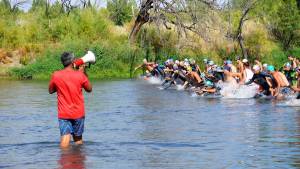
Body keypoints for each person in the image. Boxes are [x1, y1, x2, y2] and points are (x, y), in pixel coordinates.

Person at [49, 52, 92, 148]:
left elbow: (51, 90)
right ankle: (77, 161)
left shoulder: (56, 75)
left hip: (64, 114)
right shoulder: (80, 75)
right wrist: (83, 72)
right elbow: (89, 89)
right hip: (78, 113)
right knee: (78, 140)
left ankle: (63, 161)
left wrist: (60, 85)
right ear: (73, 61)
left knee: (65, 140)